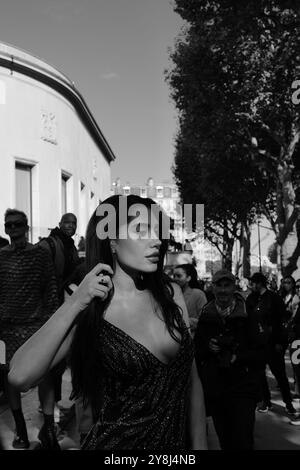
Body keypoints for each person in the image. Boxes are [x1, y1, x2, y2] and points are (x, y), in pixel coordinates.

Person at [8, 195, 208, 450]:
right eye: (141, 229)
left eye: (157, 230)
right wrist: (74, 302)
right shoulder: (90, 306)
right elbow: (20, 376)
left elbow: (192, 382)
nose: (156, 240)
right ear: (112, 241)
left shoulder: (171, 295)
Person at [0, 209, 59, 449]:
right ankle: (21, 431)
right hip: (6, 330)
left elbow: (51, 290)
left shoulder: (40, 255)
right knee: (8, 379)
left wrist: (51, 323)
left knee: (45, 377)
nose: (13, 229)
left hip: (36, 327)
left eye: (17, 224)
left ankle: (50, 431)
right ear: (5, 229)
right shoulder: (0, 257)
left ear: (26, 226)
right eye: (9, 226)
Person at [194, 269, 266, 450]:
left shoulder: (249, 314)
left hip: (243, 388)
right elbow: (197, 351)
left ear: (234, 287)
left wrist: (238, 356)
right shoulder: (206, 315)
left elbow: (261, 352)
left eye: (227, 285)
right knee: (225, 439)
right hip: (217, 389)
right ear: (213, 287)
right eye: (219, 285)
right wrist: (208, 347)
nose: (223, 290)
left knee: (242, 439)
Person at [39, 213, 80, 414]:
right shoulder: (51, 244)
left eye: (74, 223)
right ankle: (48, 405)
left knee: (60, 359)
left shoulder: (70, 245)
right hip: (50, 309)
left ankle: (53, 403)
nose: (70, 226)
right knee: (53, 358)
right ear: (59, 224)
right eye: (67, 222)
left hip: (64, 305)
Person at [246, 272, 297, 415]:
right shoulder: (251, 299)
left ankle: (288, 404)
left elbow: (281, 321)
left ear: (260, 283)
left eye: (253, 283)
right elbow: (248, 321)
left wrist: (281, 342)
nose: (251, 286)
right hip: (257, 345)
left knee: (280, 375)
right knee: (260, 376)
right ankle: (266, 401)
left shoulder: (274, 298)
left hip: (274, 344)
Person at [173, 264, 207, 335]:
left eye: (179, 276)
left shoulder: (198, 294)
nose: (175, 279)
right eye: (174, 276)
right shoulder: (172, 295)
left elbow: (204, 320)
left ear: (188, 278)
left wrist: (182, 321)